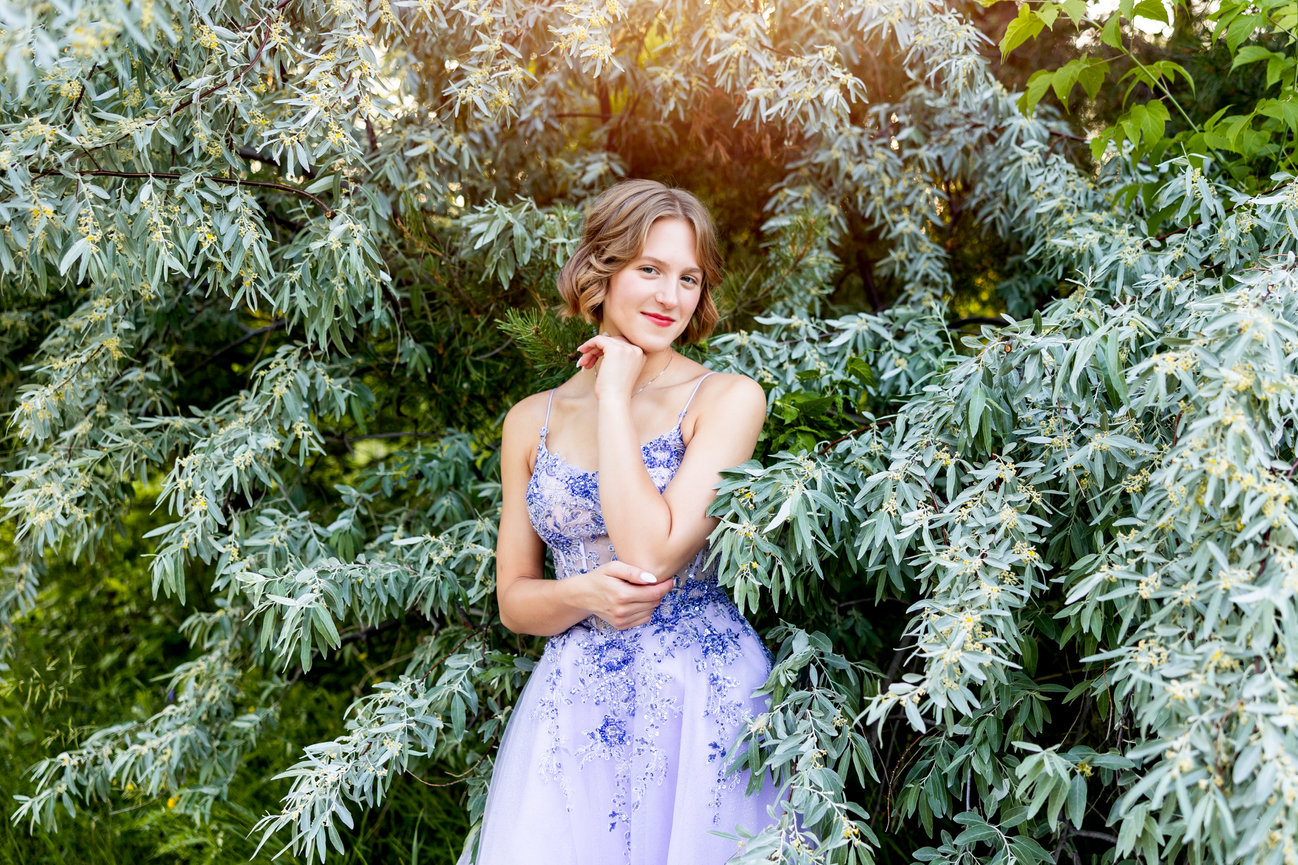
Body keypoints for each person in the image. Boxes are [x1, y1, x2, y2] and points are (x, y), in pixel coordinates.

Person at [459, 179, 779, 864]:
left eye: (689, 278)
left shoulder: (726, 399)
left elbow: (652, 552)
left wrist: (612, 396)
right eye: (650, 270)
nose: (671, 297)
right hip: (574, 700)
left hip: (697, 695)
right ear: (600, 271)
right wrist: (583, 594)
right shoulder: (529, 421)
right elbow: (514, 600)